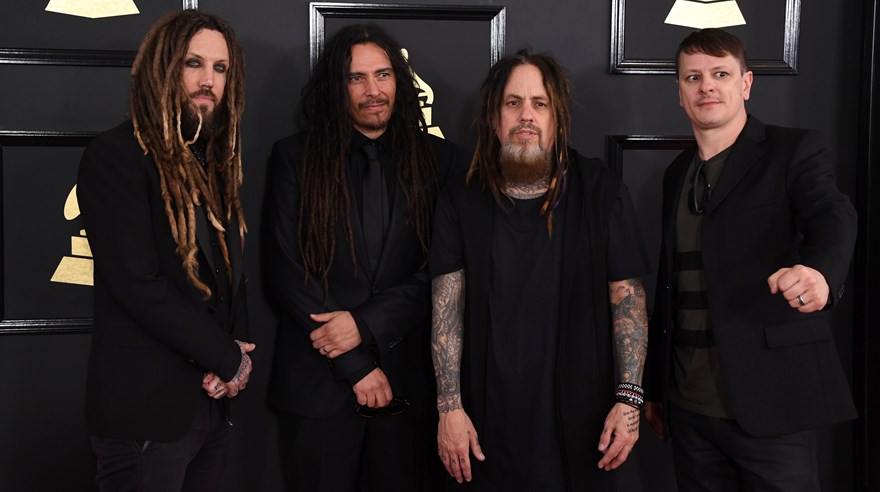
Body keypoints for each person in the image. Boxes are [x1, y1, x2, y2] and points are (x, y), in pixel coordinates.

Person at [644, 28, 858, 491]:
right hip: (688, 410)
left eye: (720, 73)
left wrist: (820, 272)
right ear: (679, 92)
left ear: (745, 84)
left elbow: (833, 214)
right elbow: (670, 283)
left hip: (772, 405)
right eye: (692, 77)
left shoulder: (792, 150)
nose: (706, 86)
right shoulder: (676, 174)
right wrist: (657, 386)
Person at [430, 49, 651, 491]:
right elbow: (446, 307)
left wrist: (629, 402)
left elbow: (628, 299)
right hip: (485, 420)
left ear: (557, 118)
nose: (525, 115)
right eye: (513, 103)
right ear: (494, 117)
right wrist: (449, 408)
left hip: (583, 419)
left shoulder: (600, 189)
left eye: (540, 103)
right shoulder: (461, 196)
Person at [266, 24, 464, 492]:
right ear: (337, 86)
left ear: (400, 80)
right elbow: (286, 270)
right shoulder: (294, 157)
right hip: (318, 388)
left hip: (409, 385)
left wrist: (366, 323)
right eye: (357, 78)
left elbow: (444, 271)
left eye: (383, 75)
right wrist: (354, 362)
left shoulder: (442, 161)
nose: (373, 91)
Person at [77, 9, 254, 492]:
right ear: (163, 67)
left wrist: (233, 358)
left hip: (211, 407)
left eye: (220, 69)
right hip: (146, 415)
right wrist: (226, 356)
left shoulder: (213, 164)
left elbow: (228, 276)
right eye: (193, 63)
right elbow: (138, 284)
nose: (208, 80)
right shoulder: (115, 156)